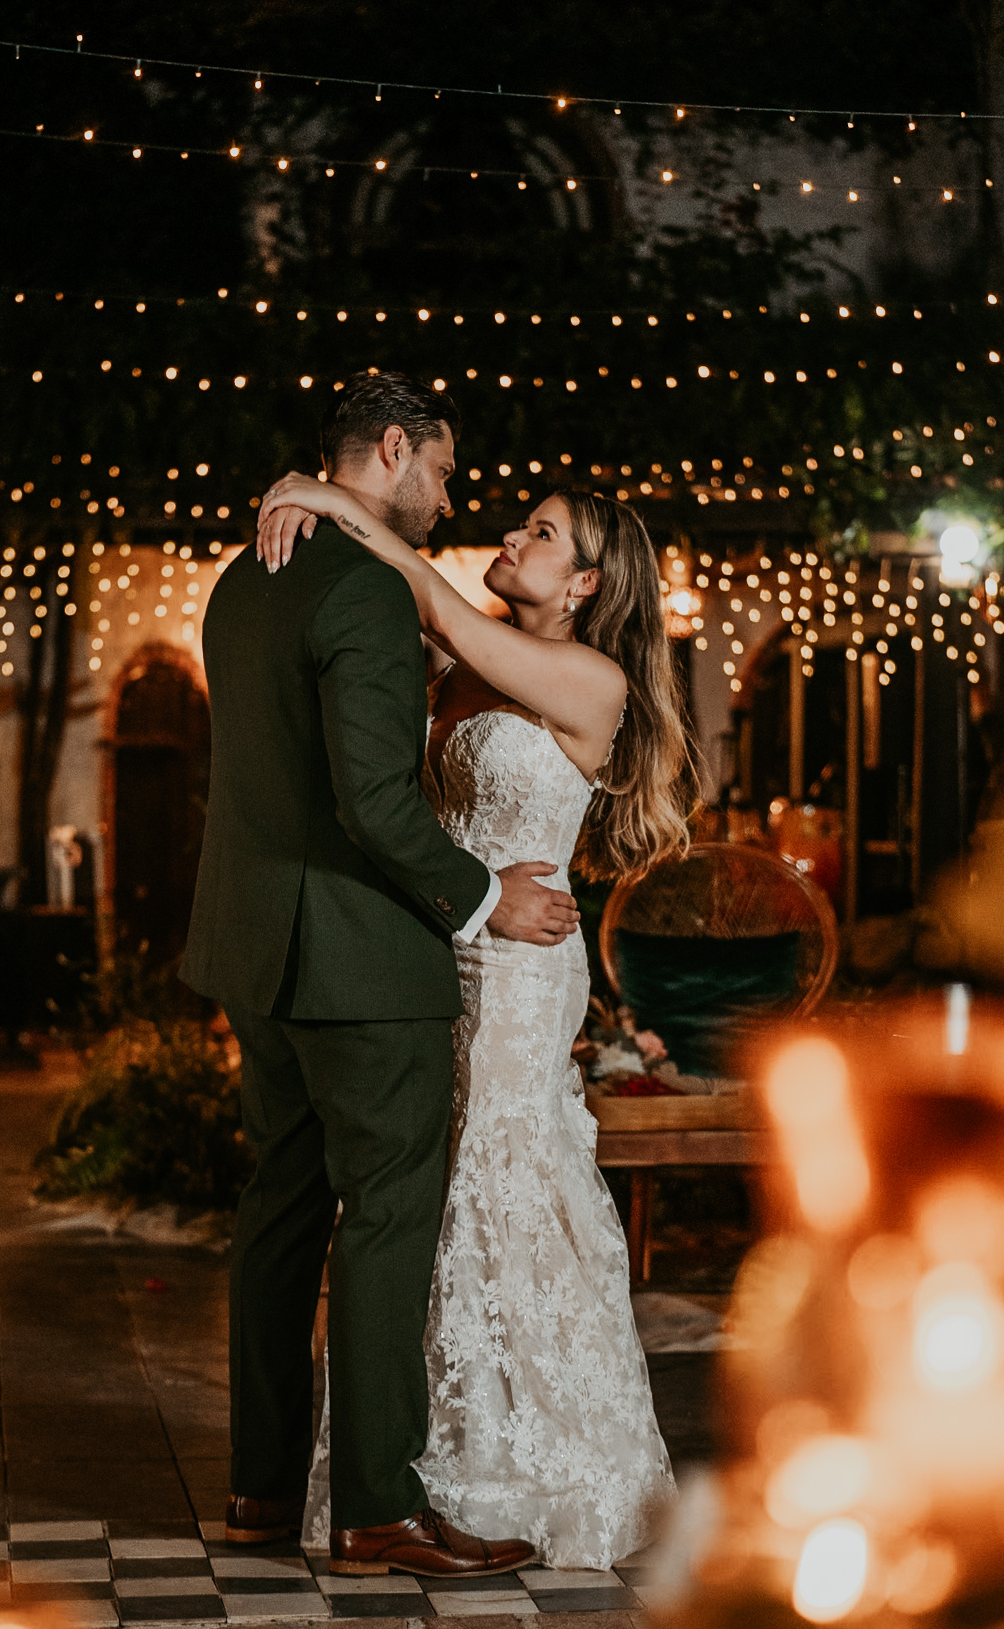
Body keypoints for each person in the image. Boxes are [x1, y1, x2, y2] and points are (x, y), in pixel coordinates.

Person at [258, 436, 694, 1568]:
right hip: (432, 954)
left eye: (541, 535)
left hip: (517, 973)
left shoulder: (588, 681)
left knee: (494, 1182)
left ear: (588, 584)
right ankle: (414, 1459)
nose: (513, 537)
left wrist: (328, 498)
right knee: (423, 1193)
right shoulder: (456, 668)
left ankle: (515, 1463)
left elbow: (446, 613)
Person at [180, 371, 581, 1580]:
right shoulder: (362, 593)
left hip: (255, 947)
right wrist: (482, 897)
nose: (452, 495)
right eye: (444, 470)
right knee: (392, 1215)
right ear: (393, 451)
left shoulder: (246, 577)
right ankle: (374, 1512)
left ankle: (260, 1488)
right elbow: (372, 800)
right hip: (361, 958)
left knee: (283, 1209)